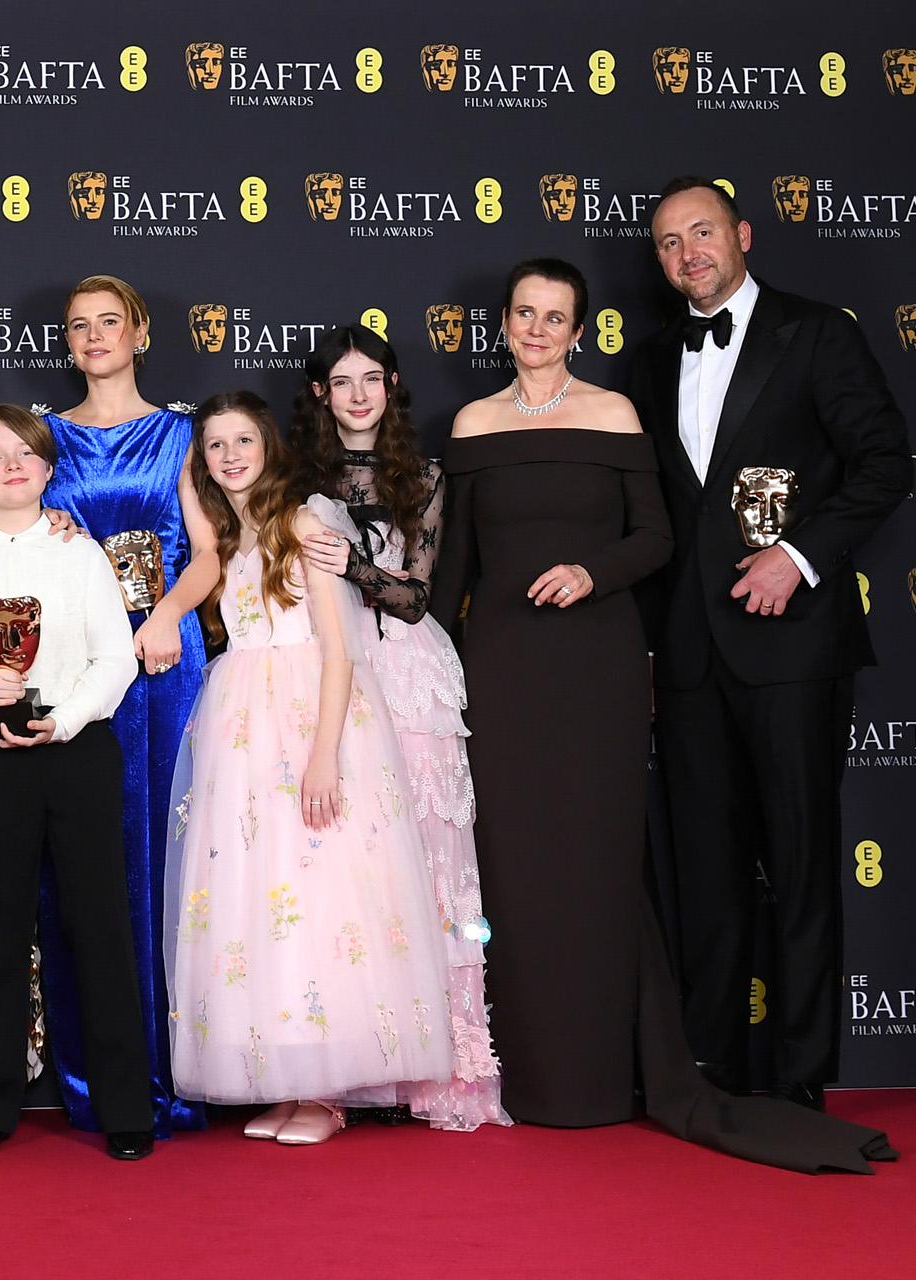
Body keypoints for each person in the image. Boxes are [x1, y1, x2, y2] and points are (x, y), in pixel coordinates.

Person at [431, 258, 892, 1172]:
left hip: (597, 668)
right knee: (516, 870)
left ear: (579, 330)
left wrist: (591, 573)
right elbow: (452, 575)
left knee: (599, 862)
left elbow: (658, 538)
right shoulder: (473, 424)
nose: (536, 329)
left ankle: (603, 1077)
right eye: (524, 313)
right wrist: (423, 669)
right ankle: (526, 1075)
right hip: (505, 674)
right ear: (507, 323)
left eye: (555, 316)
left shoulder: (615, 413)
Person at [628, 177, 912, 1108]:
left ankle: (798, 1079)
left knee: (798, 865)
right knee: (706, 872)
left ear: (743, 234)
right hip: (692, 655)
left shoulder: (818, 330)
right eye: (670, 244)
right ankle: (709, 1066)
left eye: (702, 232)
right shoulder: (654, 355)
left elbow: (885, 461)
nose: (687, 255)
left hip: (794, 648)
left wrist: (798, 554)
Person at [162, 391, 453, 1145]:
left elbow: (340, 648)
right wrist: (162, 614)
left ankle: (328, 1091)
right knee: (261, 899)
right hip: (241, 724)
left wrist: (324, 753)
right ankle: (286, 1077)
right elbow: (201, 567)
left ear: (268, 445)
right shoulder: (229, 531)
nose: (230, 457)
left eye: (242, 441)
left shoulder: (306, 518)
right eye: (214, 446)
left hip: (311, 719)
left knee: (323, 893)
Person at [0, 405, 154, 1160]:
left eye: (27, 455)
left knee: (101, 927)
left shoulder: (78, 554)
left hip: (77, 747)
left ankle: (125, 1110)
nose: (13, 467)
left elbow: (114, 658)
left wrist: (69, 717)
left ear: (50, 469)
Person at [292, 327, 509, 1132]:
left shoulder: (421, 475)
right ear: (319, 393)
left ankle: (442, 1070)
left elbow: (415, 596)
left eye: (372, 379)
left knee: (429, 863)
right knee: (348, 872)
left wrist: (346, 561)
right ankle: (350, 1069)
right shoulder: (295, 476)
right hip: (326, 675)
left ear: (392, 386)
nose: (357, 394)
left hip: (408, 678)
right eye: (341, 381)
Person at [34, 275, 214, 1138]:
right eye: (80, 326)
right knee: (89, 868)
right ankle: (96, 1072)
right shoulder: (47, 439)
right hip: (78, 672)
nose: (96, 336)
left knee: (177, 865)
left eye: (111, 322)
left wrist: (170, 616)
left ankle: (187, 1067)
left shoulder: (180, 434)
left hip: (166, 662)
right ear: (66, 342)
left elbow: (211, 552)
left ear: (141, 332)